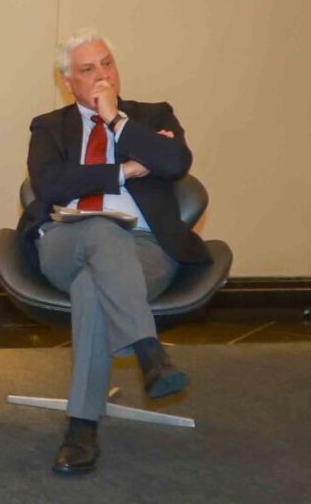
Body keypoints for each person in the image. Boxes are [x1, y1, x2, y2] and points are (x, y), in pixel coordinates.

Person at [17, 32, 205, 475]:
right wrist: (123, 171)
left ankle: (81, 428)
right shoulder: (49, 126)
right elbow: (52, 185)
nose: (102, 75)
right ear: (68, 82)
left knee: (91, 287)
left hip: (145, 248)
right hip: (65, 240)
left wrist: (117, 121)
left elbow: (176, 163)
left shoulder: (153, 116)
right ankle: (148, 351)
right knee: (101, 226)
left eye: (107, 63)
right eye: (88, 69)